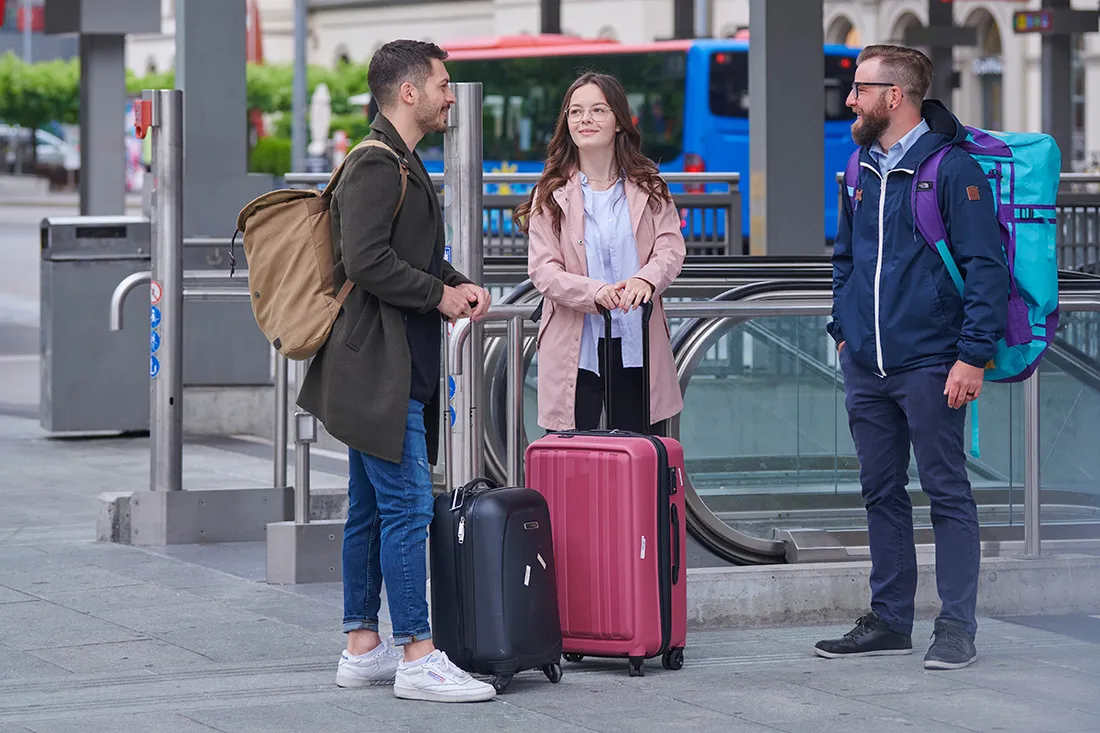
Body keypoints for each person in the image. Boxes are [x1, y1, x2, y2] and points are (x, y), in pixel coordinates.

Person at [296, 39, 497, 703]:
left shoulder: (401, 160)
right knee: (408, 506)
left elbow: (409, 255)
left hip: (389, 362)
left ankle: (362, 645)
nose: (449, 94)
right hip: (376, 369)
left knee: (371, 510)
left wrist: (456, 282)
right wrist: (441, 297)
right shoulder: (376, 164)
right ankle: (416, 653)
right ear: (407, 92)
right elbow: (366, 261)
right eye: (442, 83)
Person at [816, 44, 1009, 670]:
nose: (850, 99)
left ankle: (956, 628)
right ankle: (891, 620)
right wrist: (843, 328)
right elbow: (844, 258)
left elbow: (987, 271)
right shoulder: (859, 167)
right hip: (868, 364)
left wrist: (973, 357)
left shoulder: (954, 171)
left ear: (893, 97)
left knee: (946, 490)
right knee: (881, 491)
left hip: (933, 363)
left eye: (860, 88)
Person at [515, 72, 686, 434]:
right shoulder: (551, 191)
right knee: (572, 460)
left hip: (638, 337)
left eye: (597, 110)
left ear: (620, 122)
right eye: (575, 112)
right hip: (575, 347)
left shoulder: (650, 184)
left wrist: (646, 279)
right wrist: (594, 293)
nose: (585, 120)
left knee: (641, 455)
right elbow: (543, 270)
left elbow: (670, 247)